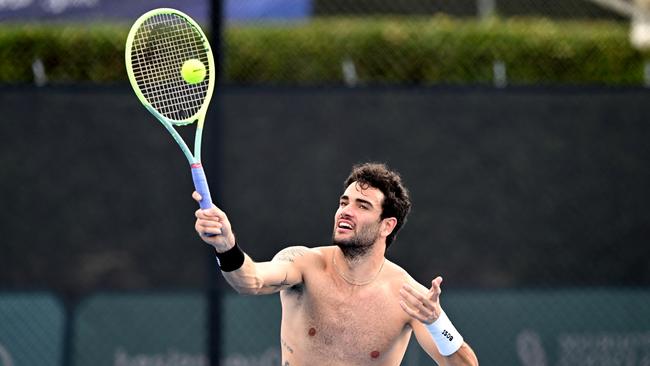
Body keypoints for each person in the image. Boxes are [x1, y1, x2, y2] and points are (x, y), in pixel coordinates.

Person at [194, 162, 479, 366]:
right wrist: (226, 245)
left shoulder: (408, 297)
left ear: (386, 226)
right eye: (344, 202)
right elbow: (250, 280)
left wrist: (437, 322)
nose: (346, 211)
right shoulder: (303, 263)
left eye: (362, 206)